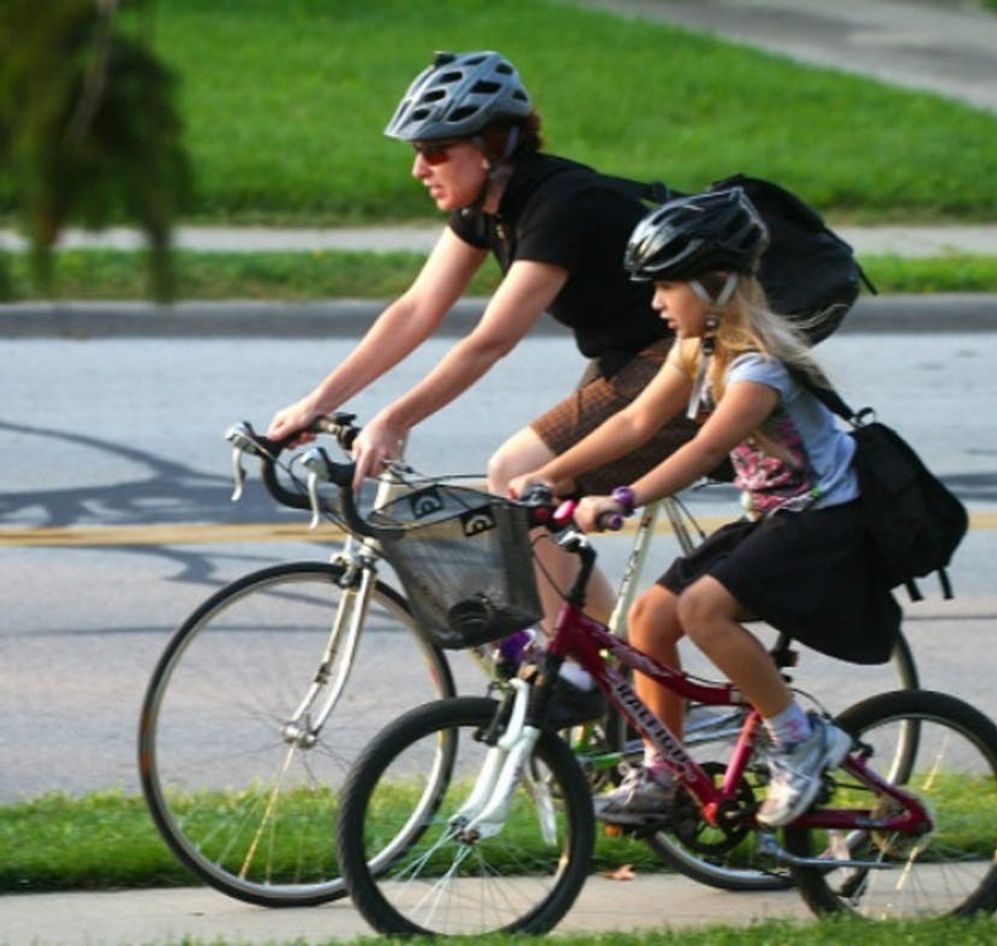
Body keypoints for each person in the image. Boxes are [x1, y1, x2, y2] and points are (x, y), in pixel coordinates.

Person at [267, 51, 699, 714]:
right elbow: (416, 309)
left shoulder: (560, 204)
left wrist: (396, 418)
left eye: (436, 151)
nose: (419, 168)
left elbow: (491, 340)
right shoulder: (487, 207)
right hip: (625, 359)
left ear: (493, 144)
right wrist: (318, 403)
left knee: (517, 474)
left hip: (680, 359)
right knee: (538, 520)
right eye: (418, 150)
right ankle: (615, 681)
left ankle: (589, 678)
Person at [510, 187, 901, 827]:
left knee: (702, 610)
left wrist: (623, 498)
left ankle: (802, 740)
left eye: (667, 287)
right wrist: (550, 475)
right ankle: (664, 771)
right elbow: (636, 420)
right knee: (649, 619)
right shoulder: (699, 350)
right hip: (775, 519)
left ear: (717, 284)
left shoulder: (758, 369)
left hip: (827, 524)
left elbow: (702, 450)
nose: (656, 303)